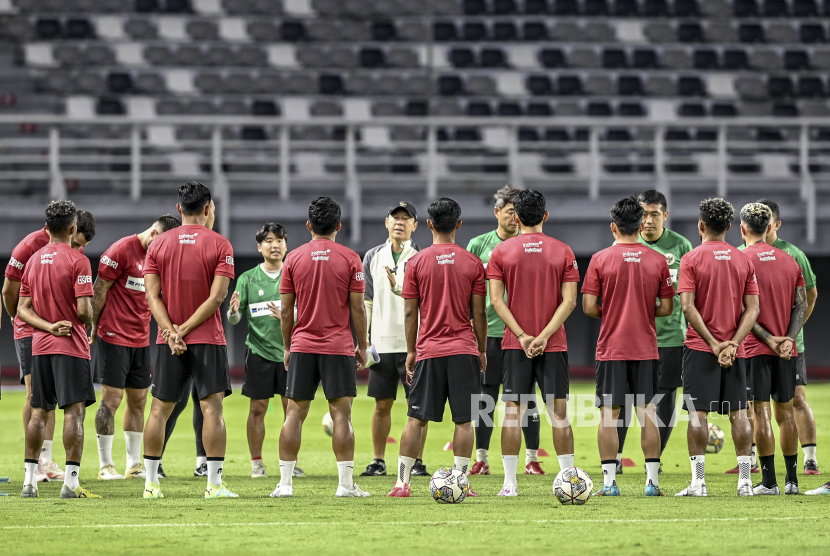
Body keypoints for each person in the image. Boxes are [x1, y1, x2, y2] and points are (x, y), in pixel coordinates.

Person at [141, 182, 237, 499]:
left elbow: (152, 296)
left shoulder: (157, 245)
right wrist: (184, 329)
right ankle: (213, 485)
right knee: (212, 410)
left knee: (158, 410)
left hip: (167, 340)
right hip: (207, 337)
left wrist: (171, 330)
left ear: (180, 209)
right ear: (208, 209)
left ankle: (151, 484)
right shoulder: (221, 244)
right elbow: (217, 297)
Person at [388, 197, 487, 498]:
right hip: (463, 350)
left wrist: (411, 351)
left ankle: (402, 483)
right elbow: (480, 313)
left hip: (429, 351)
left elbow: (409, 312)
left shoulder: (415, 262)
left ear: (428, 224)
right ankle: (461, 482)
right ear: (458, 224)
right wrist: (481, 349)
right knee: (464, 420)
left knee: (415, 419)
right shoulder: (472, 262)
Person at [271, 197, 369, 498]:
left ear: (309, 226)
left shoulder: (294, 259)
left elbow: (287, 311)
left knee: (294, 414)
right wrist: (362, 345)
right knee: (342, 415)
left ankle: (285, 485)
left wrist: (288, 346)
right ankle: (345, 486)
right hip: (338, 346)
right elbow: (358, 310)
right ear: (338, 226)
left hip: (302, 345)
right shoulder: (351, 258)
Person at [486, 190, 579, 497]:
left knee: (512, 411)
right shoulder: (564, 250)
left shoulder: (501, 252)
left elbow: (496, 301)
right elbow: (569, 302)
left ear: (516, 217)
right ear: (545, 216)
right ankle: (569, 481)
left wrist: (524, 336)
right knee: (559, 413)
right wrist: (543, 336)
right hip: (553, 345)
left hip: (515, 344)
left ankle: (509, 484)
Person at [582, 196, 676, 497]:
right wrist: (643, 311)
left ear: (613, 227)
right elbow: (667, 308)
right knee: (648, 413)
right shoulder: (658, 260)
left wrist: (611, 313)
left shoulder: (600, 259)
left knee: (609, 416)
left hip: (612, 347)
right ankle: (652, 482)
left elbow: (587, 307)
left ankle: (609, 483)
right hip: (647, 348)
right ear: (640, 225)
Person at [675, 198, 759, 497]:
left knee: (698, 415)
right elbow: (753, 309)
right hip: (737, 352)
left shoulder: (691, 259)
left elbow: (687, 307)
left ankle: (699, 483)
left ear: (701, 226)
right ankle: (746, 482)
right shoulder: (743, 259)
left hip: (700, 348)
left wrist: (713, 343)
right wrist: (732, 344)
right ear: (729, 227)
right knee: (740, 414)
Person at [3, 210, 95, 482]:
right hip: (54, 336)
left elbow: (23, 305)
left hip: (40, 333)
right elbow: (10, 293)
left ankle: (37, 469)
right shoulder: (32, 248)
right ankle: (67, 478)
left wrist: (41, 323)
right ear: (71, 228)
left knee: (41, 406)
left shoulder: (33, 261)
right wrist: (18, 321)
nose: (79, 247)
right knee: (68, 408)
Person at [90, 215, 182, 480]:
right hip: (113, 336)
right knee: (112, 399)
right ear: (154, 234)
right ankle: (106, 466)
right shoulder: (120, 250)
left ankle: (134, 465)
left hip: (141, 339)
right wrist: (94, 327)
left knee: (139, 401)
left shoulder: (159, 257)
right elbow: (99, 290)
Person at [466, 185, 545, 477]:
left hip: (525, 333)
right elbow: (468, 289)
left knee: (527, 396)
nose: (515, 217)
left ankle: (532, 458)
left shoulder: (530, 245)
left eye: (518, 212)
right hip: (490, 332)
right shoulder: (478, 245)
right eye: (510, 211)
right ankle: (482, 458)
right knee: (486, 396)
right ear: (497, 212)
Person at [615, 190, 693, 476]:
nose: (648, 220)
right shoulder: (623, 245)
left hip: (670, 338)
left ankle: (655, 459)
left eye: (654, 214)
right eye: (644, 214)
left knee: (664, 400)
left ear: (665, 215)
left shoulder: (681, 246)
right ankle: (618, 456)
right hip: (631, 337)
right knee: (621, 398)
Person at [737, 203, 807, 495]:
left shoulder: (739, 260)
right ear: (769, 227)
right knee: (786, 414)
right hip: (786, 351)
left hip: (755, 350)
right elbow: (801, 304)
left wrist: (768, 339)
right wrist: (788, 339)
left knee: (760, 414)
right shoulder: (790, 260)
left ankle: (769, 483)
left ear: (742, 229)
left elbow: (744, 309)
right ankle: (792, 481)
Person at [227, 222, 303, 479]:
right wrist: (234, 312)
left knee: (291, 410)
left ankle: (290, 464)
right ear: (260, 247)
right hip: (258, 352)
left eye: (280, 240)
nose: (275, 245)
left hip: (290, 352)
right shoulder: (247, 278)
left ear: (286, 244)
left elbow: (305, 312)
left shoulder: (295, 275)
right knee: (257, 409)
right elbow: (235, 319)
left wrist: (288, 314)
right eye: (269, 241)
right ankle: (257, 463)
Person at [360, 202, 429, 478]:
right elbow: (367, 301)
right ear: (386, 222)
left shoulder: (422, 257)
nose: (400, 223)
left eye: (406, 219)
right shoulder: (372, 256)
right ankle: (378, 460)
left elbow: (425, 301)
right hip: (382, 344)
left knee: (418, 408)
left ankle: (417, 461)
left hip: (413, 344)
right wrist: (364, 341)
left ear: (415, 225)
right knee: (381, 404)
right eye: (395, 218)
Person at [752, 199, 820, 477]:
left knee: (795, 401)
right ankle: (753, 462)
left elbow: (810, 296)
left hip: (786, 345)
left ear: (776, 225)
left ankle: (810, 459)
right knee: (755, 406)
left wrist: (791, 334)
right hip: (764, 344)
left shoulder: (793, 254)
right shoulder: (746, 253)